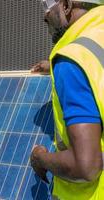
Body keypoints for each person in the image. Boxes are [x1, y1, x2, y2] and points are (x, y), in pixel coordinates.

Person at [30, 0, 104, 199]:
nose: (44, 15)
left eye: (47, 5)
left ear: (66, 5)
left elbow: (86, 168)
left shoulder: (72, 62)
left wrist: (41, 158)